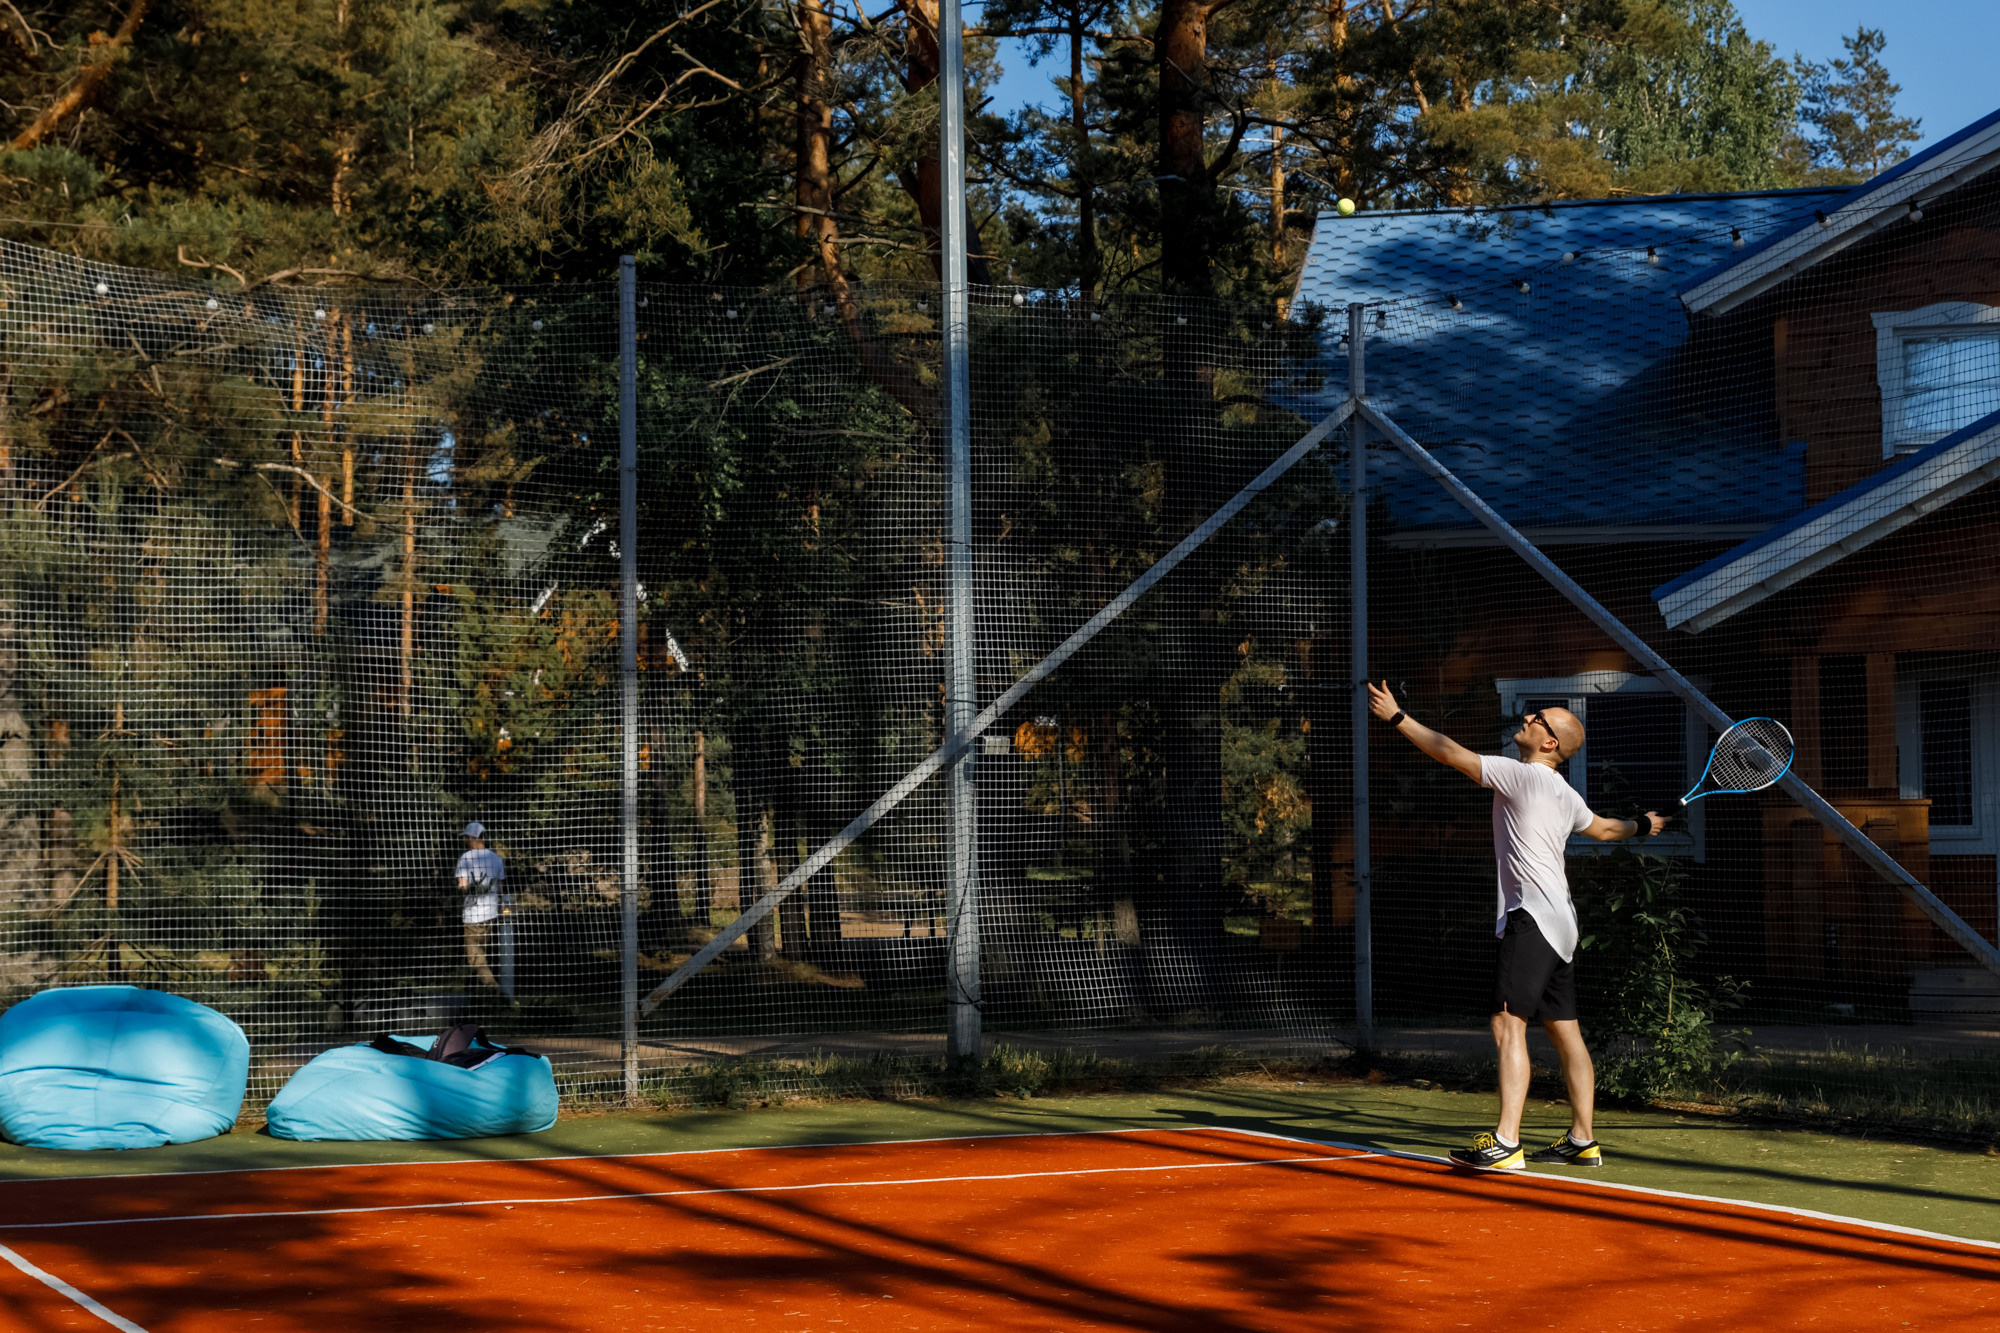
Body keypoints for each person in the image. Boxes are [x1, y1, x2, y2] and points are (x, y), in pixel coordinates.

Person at [1365, 681, 1667, 1171]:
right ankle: (1582, 1140)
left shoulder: (1522, 776)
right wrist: (1643, 823)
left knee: (1508, 1024)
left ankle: (1506, 1142)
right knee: (1565, 1031)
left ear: (1550, 743)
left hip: (1531, 918)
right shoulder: (1565, 794)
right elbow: (1609, 829)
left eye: (1537, 718)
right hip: (1562, 924)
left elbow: (1450, 753)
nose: (1526, 718)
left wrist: (1398, 717)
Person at [456, 821, 509, 995]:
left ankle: (495, 992)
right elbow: (500, 889)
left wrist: (466, 887)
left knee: (475, 959)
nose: (465, 840)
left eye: (466, 837)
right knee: (482, 955)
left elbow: (462, 886)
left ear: (472, 837)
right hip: (491, 915)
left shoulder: (465, 858)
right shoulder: (497, 859)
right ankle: (474, 995)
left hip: (473, 916)